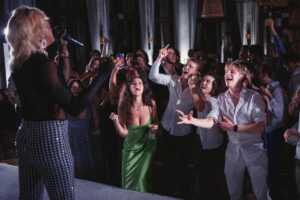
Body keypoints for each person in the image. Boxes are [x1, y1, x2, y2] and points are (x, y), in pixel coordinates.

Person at [5, 6, 113, 199]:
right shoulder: (42, 64)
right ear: (35, 30)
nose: (50, 24)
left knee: (29, 196)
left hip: (28, 134)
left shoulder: (21, 62)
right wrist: (103, 75)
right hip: (49, 137)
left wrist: (61, 48)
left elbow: (58, 84)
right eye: (44, 22)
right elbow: (76, 108)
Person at [177, 61, 269, 200]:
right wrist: (192, 121)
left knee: (261, 194)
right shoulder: (221, 98)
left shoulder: (254, 97)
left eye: (232, 72)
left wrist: (235, 128)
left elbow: (261, 125)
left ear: (243, 76)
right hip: (233, 151)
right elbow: (211, 121)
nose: (227, 74)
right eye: (226, 72)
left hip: (254, 150)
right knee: (234, 194)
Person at [149, 44, 202, 198]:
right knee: (167, 163)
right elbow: (153, 77)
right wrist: (159, 57)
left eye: (190, 67)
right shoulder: (174, 80)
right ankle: (167, 193)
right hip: (167, 127)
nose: (186, 68)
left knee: (181, 166)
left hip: (183, 131)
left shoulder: (198, 89)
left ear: (197, 72)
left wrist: (193, 88)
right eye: (186, 65)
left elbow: (201, 106)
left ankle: (181, 193)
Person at [110, 77, 158, 192]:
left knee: (141, 178)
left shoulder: (151, 104)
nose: (137, 85)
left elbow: (155, 124)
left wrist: (153, 131)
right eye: (133, 83)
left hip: (147, 147)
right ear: (129, 88)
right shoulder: (123, 106)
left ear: (143, 87)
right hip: (130, 149)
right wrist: (116, 123)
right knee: (128, 183)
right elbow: (124, 133)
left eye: (140, 83)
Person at [187, 71, 225, 200]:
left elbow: (201, 106)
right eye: (203, 80)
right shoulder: (203, 96)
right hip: (202, 143)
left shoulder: (214, 101)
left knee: (209, 180)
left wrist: (192, 87)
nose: (203, 82)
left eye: (208, 81)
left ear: (214, 87)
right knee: (203, 177)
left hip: (212, 146)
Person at [256, 62, 288, 199]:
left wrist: (269, 96)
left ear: (265, 74)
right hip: (269, 130)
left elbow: (280, 116)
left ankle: (277, 193)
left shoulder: (278, 90)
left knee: (273, 164)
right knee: (269, 164)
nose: (258, 75)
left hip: (276, 130)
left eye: (259, 73)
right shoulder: (268, 88)